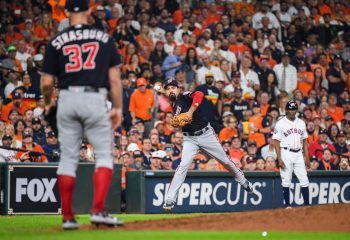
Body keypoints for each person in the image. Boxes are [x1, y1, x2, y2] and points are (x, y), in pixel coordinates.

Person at [40, 0, 123, 230]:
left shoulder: (56, 41)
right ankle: (98, 210)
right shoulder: (104, 38)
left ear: (66, 12)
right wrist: (117, 107)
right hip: (94, 98)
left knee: (68, 158)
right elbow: (114, 79)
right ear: (89, 11)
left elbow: (47, 82)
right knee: (104, 155)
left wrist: (48, 104)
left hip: (66, 98)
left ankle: (67, 217)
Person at [158, 79, 254, 211]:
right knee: (183, 166)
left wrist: (190, 111)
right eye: (168, 89)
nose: (171, 90)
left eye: (173, 87)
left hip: (205, 134)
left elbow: (199, 94)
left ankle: (243, 181)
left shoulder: (185, 96)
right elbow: (180, 122)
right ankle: (169, 199)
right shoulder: (173, 106)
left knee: (224, 160)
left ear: (178, 88)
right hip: (189, 139)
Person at [273, 100, 310, 209]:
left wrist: (307, 157)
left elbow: (305, 140)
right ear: (286, 110)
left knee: (304, 179)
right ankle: (288, 205)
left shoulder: (301, 123)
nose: (292, 111)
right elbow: (276, 141)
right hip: (286, 152)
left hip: (298, 153)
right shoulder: (280, 123)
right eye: (290, 109)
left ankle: (307, 205)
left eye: (294, 109)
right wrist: (279, 158)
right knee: (286, 180)